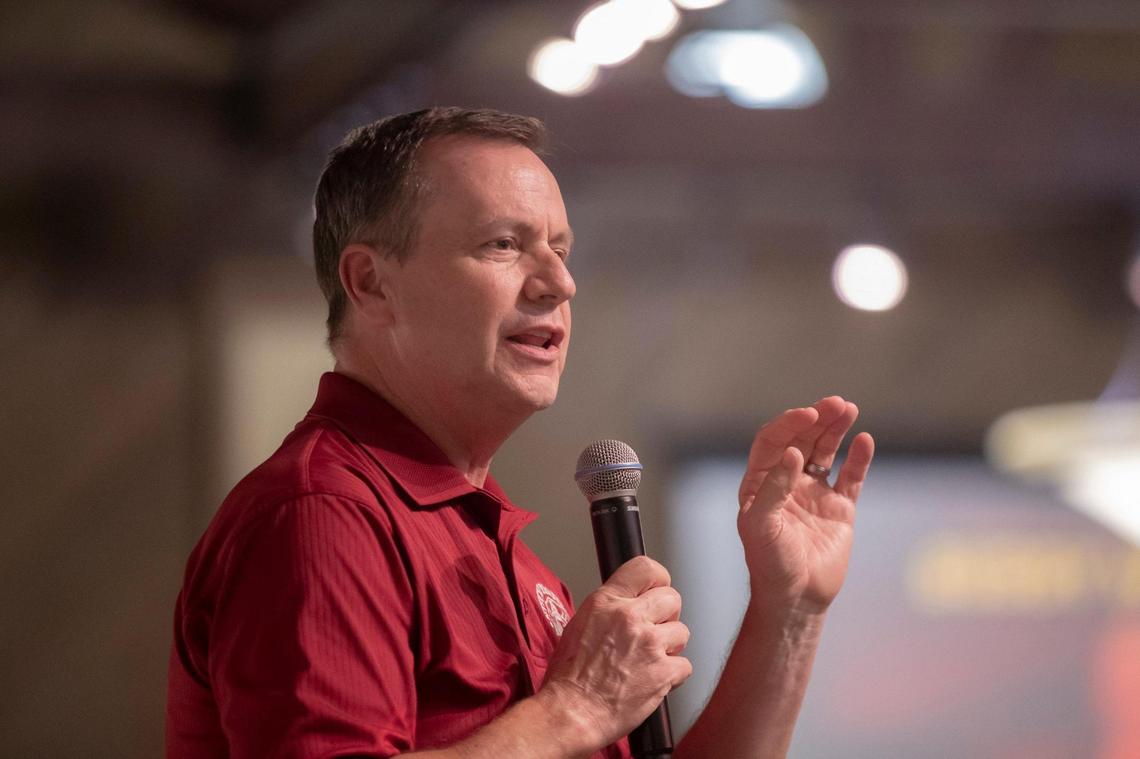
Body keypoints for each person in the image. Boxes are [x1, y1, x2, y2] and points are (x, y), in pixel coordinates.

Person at [166, 107, 875, 759]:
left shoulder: (493, 546)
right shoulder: (324, 516)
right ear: (371, 283)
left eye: (560, 250)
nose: (558, 283)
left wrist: (790, 607)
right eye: (503, 244)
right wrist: (571, 709)